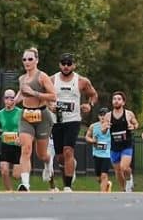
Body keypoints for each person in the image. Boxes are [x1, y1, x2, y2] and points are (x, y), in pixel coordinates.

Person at [51, 53, 97, 191]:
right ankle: (69, 169)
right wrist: (49, 105)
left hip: (73, 120)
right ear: (59, 64)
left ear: (74, 65)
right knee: (60, 157)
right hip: (57, 120)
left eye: (69, 63)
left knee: (68, 151)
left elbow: (93, 95)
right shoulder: (51, 79)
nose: (66, 66)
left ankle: (67, 186)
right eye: (63, 63)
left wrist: (89, 105)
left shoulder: (82, 81)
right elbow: (43, 96)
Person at [15, 47, 56, 192]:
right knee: (26, 149)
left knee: (41, 154)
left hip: (42, 116)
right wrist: (14, 101)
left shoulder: (42, 77)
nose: (27, 62)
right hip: (26, 116)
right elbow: (21, 94)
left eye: (30, 59)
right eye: (24, 59)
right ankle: (25, 184)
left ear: (36, 60)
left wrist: (34, 93)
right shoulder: (21, 78)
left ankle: (48, 161)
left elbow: (53, 96)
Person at [0, 89, 22, 191]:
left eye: (11, 98)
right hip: (5, 145)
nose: (9, 100)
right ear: (3, 99)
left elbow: (27, 128)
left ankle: (24, 184)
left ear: (15, 99)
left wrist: (21, 137)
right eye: (6, 97)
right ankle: (9, 191)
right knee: (4, 170)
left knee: (16, 175)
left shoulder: (20, 112)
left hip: (18, 146)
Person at [108, 91, 139, 192]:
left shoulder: (128, 114)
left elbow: (136, 124)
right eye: (114, 99)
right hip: (114, 146)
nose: (116, 101)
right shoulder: (108, 115)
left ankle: (129, 179)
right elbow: (104, 129)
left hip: (126, 145)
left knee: (124, 168)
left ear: (123, 102)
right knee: (117, 171)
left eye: (119, 99)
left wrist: (133, 126)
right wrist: (105, 127)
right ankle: (124, 189)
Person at [85, 107, 113, 192]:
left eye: (105, 115)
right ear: (98, 116)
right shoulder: (93, 126)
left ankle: (103, 195)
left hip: (107, 153)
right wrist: (92, 140)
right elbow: (87, 137)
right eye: (101, 115)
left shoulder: (111, 126)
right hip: (97, 153)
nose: (103, 117)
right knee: (98, 177)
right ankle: (107, 184)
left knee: (104, 175)